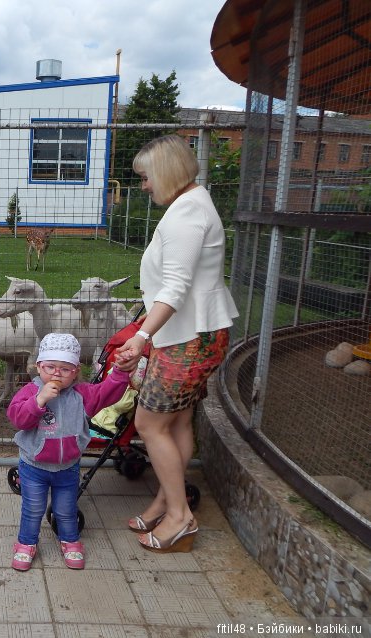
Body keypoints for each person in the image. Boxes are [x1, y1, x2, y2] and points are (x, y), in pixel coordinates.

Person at [116, 134, 238, 553]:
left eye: (147, 177)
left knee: (150, 423)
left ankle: (179, 517)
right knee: (178, 422)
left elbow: (177, 287)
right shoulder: (191, 205)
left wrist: (141, 336)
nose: (144, 185)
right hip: (190, 334)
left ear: (166, 171)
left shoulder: (187, 213)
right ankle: (164, 502)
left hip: (189, 338)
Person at [6, 333, 137, 571]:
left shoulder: (82, 395)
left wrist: (120, 372)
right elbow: (18, 419)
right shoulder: (30, 391)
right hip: (34, 465)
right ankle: (26, 543)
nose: (56, 373)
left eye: (65, 369)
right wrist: (38, 401)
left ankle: (70, 540)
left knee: (66, 509)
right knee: (32, 508)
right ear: (38, 367)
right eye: (50, 367)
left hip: (67, 467)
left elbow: (107, 393)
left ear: (75, 371)